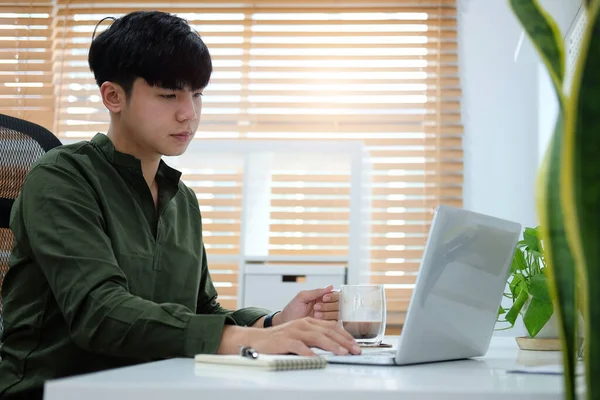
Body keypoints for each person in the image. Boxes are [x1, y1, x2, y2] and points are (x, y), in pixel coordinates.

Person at [0, 10, 360, 399]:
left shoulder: (181, 200)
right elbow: (99, 314)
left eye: (197, 94)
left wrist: (269, 324)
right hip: (52, 391)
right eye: (169, 95)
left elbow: (201, 311)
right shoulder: (61, 179)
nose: (189, 112)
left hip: (155, 386)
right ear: (113, 96)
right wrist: (245, 340)